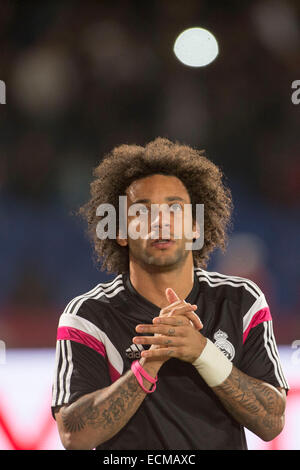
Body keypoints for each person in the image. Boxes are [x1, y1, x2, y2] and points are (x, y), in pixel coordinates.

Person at [51, 137, 289, 450]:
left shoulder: (240, 301)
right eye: (142, 211)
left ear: (195, 226)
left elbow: (272, 423)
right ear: (121, 232)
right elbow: (73, 436)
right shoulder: (88, 316)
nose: (160, 222)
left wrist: (202, 352)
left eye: (174, 208)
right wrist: (148, 365)